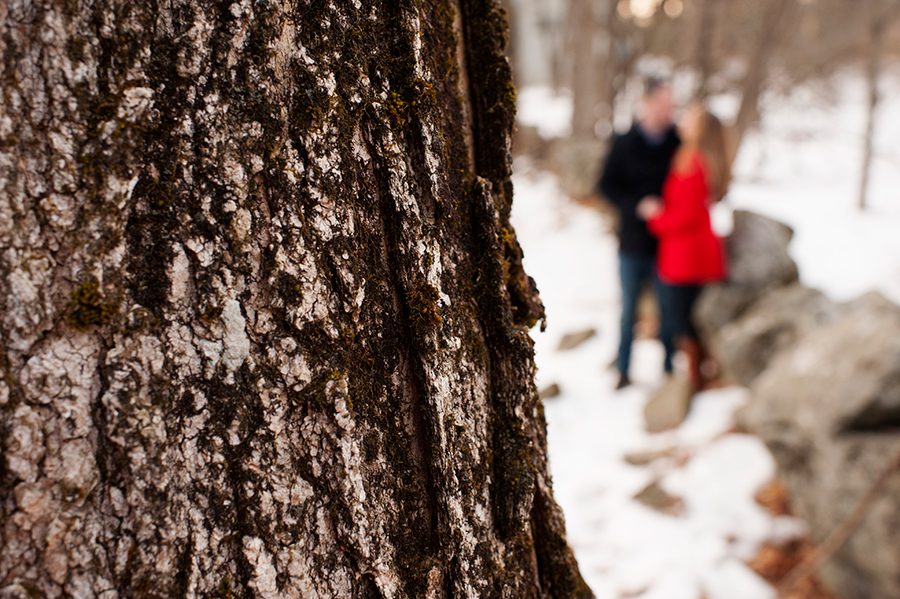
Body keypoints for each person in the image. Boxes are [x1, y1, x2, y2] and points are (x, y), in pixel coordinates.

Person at [637, 103, 729, 390]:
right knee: (686, 317)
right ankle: (698, 374)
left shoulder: (696, 162)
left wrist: (655, 216)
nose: (684, 120)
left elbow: (687, 215)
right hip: (685, 251)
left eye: (691, 117)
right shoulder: (690, 156)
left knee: (682, 319)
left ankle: (696, 379)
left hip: (687, 254)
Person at [598, 77, 680, 390]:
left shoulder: (677, 141)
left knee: (668, 308)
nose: (668, 110)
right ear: (645, 104)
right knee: (628, 309)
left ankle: (671, 369)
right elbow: (605, 186)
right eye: (662, 104)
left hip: (668, 243)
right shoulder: (623, 141)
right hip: (631, 243)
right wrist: (636, 206)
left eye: (671, 105)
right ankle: (623, 370)